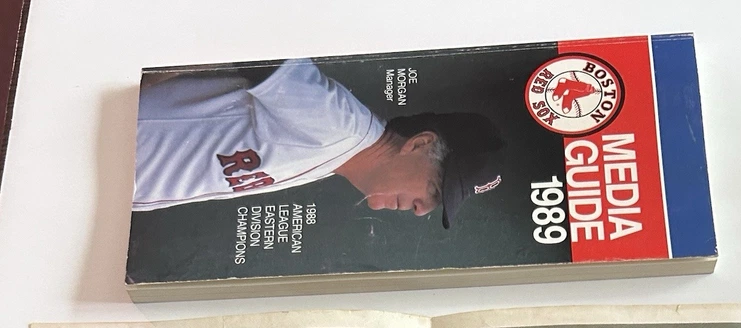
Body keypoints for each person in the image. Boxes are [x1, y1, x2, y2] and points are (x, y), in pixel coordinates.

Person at [132, 58, 505, 229]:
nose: (423, 210)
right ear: (420, 144)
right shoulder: (339, 125)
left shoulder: (338, 157)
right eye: (436, 189)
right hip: (100, 139)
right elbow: (255, 35)